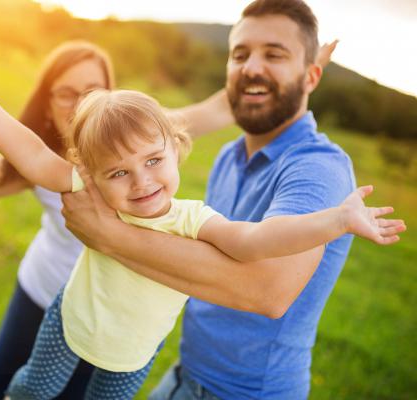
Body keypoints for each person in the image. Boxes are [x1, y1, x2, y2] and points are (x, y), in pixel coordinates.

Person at [0, 59, 402, 400]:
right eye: (118, 172)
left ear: (176, 150)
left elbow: (257, 241)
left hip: (133, 353)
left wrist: (337, 220)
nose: (141, 182)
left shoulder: (192, 219)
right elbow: (35, 155)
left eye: (153, 161)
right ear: (94, 174)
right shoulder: (94, 191)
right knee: (33, 392)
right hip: (71, 320)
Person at [56, 1, 406, 399]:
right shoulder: (230, 156)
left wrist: (109, 235)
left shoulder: (318, 168)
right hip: (186, 374)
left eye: (274, 54)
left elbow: (266, 290)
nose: (251, 67)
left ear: (311, 76)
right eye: (240, 54)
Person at [0, 41, 235, 399]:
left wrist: (269, 63)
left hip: (120, 322)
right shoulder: (61, 168)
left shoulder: (141, 131)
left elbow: (218, 108)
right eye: (66, 94)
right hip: (48, 294)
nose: (79, 104)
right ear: (47, 101)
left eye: (90, 91)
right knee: (4, 388)